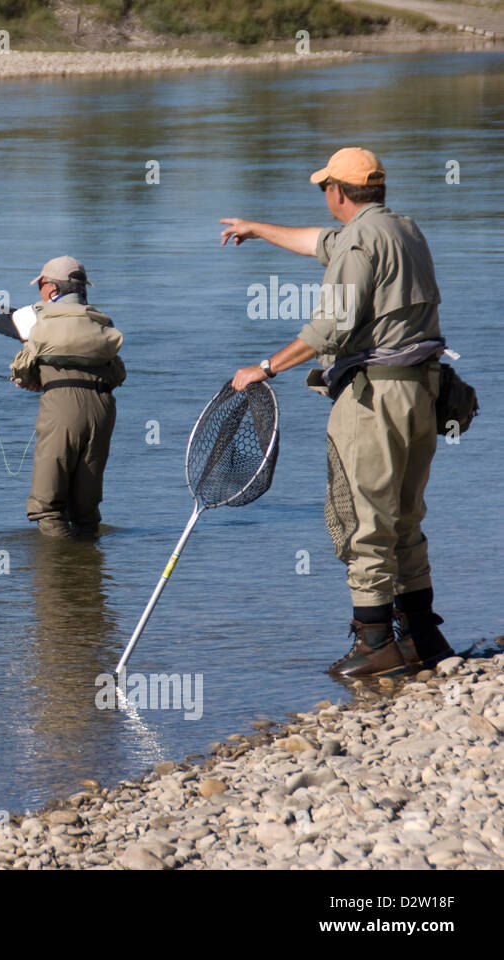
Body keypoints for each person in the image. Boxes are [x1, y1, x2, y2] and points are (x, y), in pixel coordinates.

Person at [220, 147, 453, 678]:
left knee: (363, 522)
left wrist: (266, 366)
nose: (324, 194)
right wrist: (257, 228)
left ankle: (375, 644)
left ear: (339, 193)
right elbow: (317, 243)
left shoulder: (357, 243)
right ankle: (422, 637)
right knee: (405, 519)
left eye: (325, 186)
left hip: (375, 399)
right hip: (423, 393)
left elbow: (331, 329)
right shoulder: (403, 230)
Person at [0, 256, 125, 539]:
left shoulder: (38, 315)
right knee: (86, 505)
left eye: (40, 284)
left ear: (51, 289)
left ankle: (56, 572)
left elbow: (6, 320)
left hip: (62, 410)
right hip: (103, 410)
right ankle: (89, 573)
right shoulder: (102, 320)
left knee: (47, 504)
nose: (39, 290)